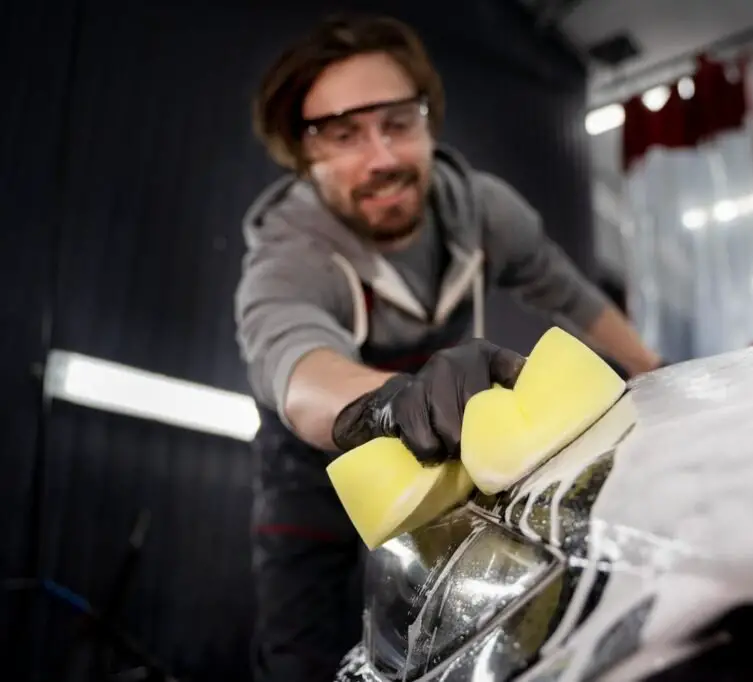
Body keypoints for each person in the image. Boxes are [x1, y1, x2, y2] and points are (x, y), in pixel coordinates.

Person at [233, 11, 663, 682]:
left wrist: (654, 370)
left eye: (398, 123)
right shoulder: (291, 252)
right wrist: (382, 402)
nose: (381, 158)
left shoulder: (483, 210)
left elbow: (569, 294)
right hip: (313, 472)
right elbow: (294, 367)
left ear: (428, 121)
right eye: (343, 136)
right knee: (301, 657)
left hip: (433, 449)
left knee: (456, 635)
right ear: (303, 155)